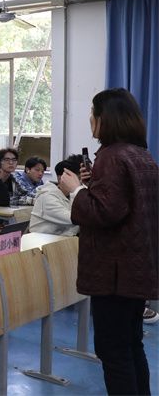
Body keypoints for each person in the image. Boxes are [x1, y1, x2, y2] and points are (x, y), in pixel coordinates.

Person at [58, 88, 158, 394]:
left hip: (114, 274)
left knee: (113, 351)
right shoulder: (141, 155)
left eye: (93, 112)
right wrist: (93, 185)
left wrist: (76, 189)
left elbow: (104, 213)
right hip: (135, 269)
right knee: (131, 345)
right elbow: (123, 205)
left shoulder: (112, 156)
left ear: (107, 118)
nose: (90, 119)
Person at [28, 156, 82, 236]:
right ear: (61, 178)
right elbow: (74, 219)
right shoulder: (48, 197)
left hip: (60, 239)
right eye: (78, 179)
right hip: (42, 241)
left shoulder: (69, 195)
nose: (80, 183)